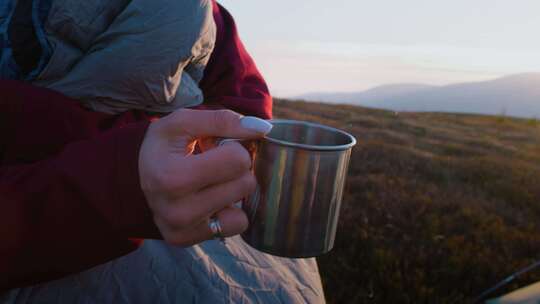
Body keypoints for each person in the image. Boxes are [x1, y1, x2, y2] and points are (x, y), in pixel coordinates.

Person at [0, 1, 326, 303]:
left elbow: (242, 95)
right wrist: (122, 179)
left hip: (206, 220)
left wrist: (207, 145)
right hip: (60, 240)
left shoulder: (206, 13)